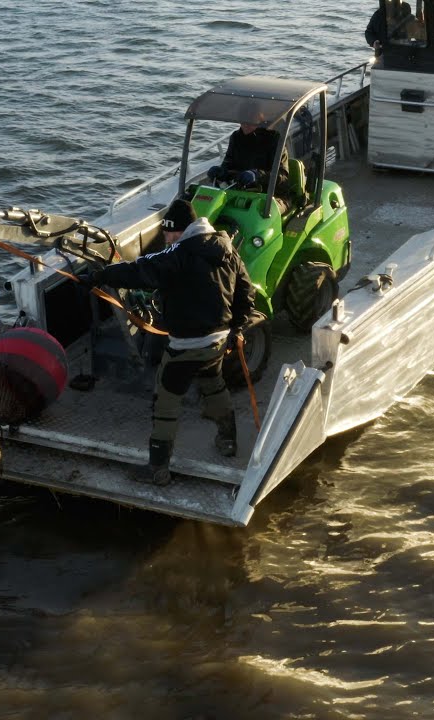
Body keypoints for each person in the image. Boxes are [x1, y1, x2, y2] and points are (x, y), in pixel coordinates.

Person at [80, 200, 256, 486]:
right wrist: (236, 328)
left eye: (168, 234)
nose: (165, 239)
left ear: (180, 230)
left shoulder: (180, 254)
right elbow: (246, 292)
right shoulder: (226, 248)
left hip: (186, 345)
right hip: (218, 341)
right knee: (214, 383)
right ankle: (228, 441)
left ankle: (158, 469)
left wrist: (99, 276)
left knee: (166, 401)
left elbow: (139, 270)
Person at [208, 111, 287, 190]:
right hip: (240, 190)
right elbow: (228, 165)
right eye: (243, 121)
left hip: (269, 194)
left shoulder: (274, 139)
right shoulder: (236, 137)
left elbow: (283, 177)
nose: (246, 125)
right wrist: (220, 172)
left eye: (251, 122)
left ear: (260, 121)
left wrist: (258, 175)